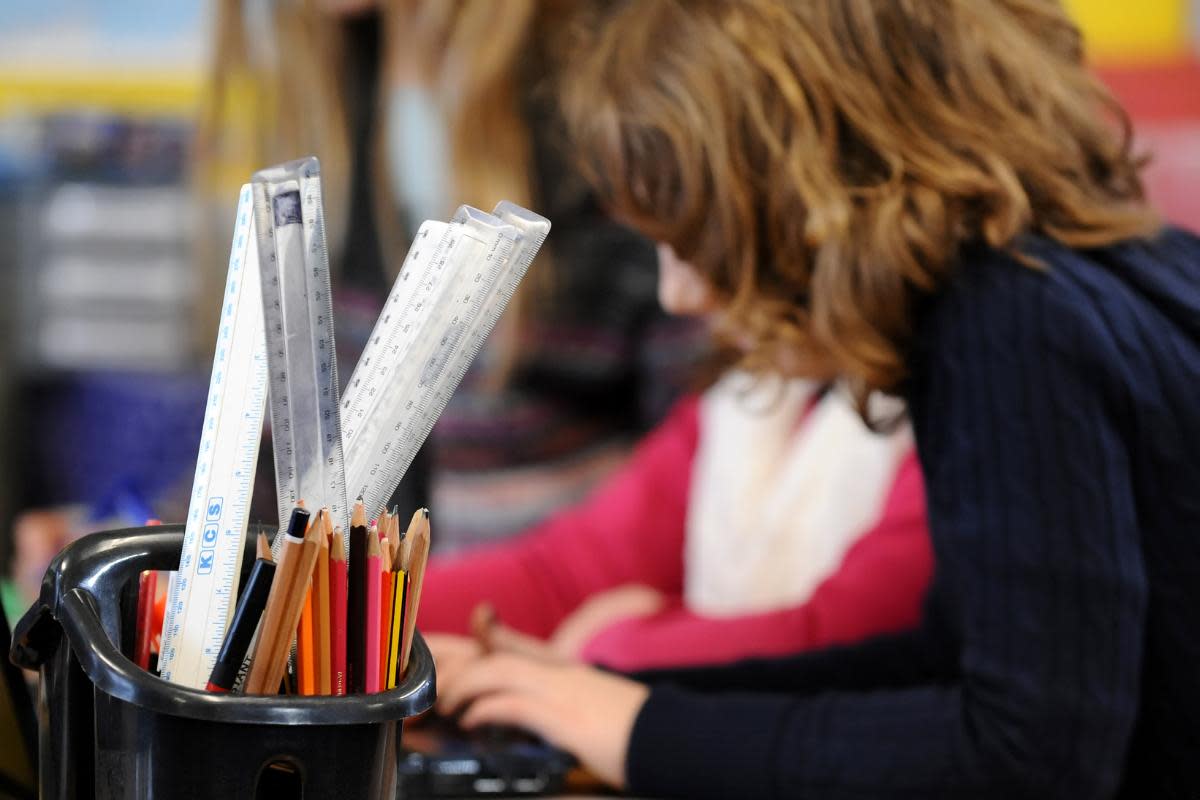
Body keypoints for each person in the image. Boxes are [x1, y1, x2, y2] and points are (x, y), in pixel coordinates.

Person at [433, 1, 1200, 797]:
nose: (678, 292)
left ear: (815, 185)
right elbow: (950, 661)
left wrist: (634, 726)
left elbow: (1026, 760)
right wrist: (607, 695)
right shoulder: (1102, 271)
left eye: (696, 235)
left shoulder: (1012, 318)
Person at [421, 362, 932, 674]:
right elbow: (563, 576)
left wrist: (612, 646)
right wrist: (363, 604)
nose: (674, 297)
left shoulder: (950, 402)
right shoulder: (751, 392)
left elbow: (847, 634)